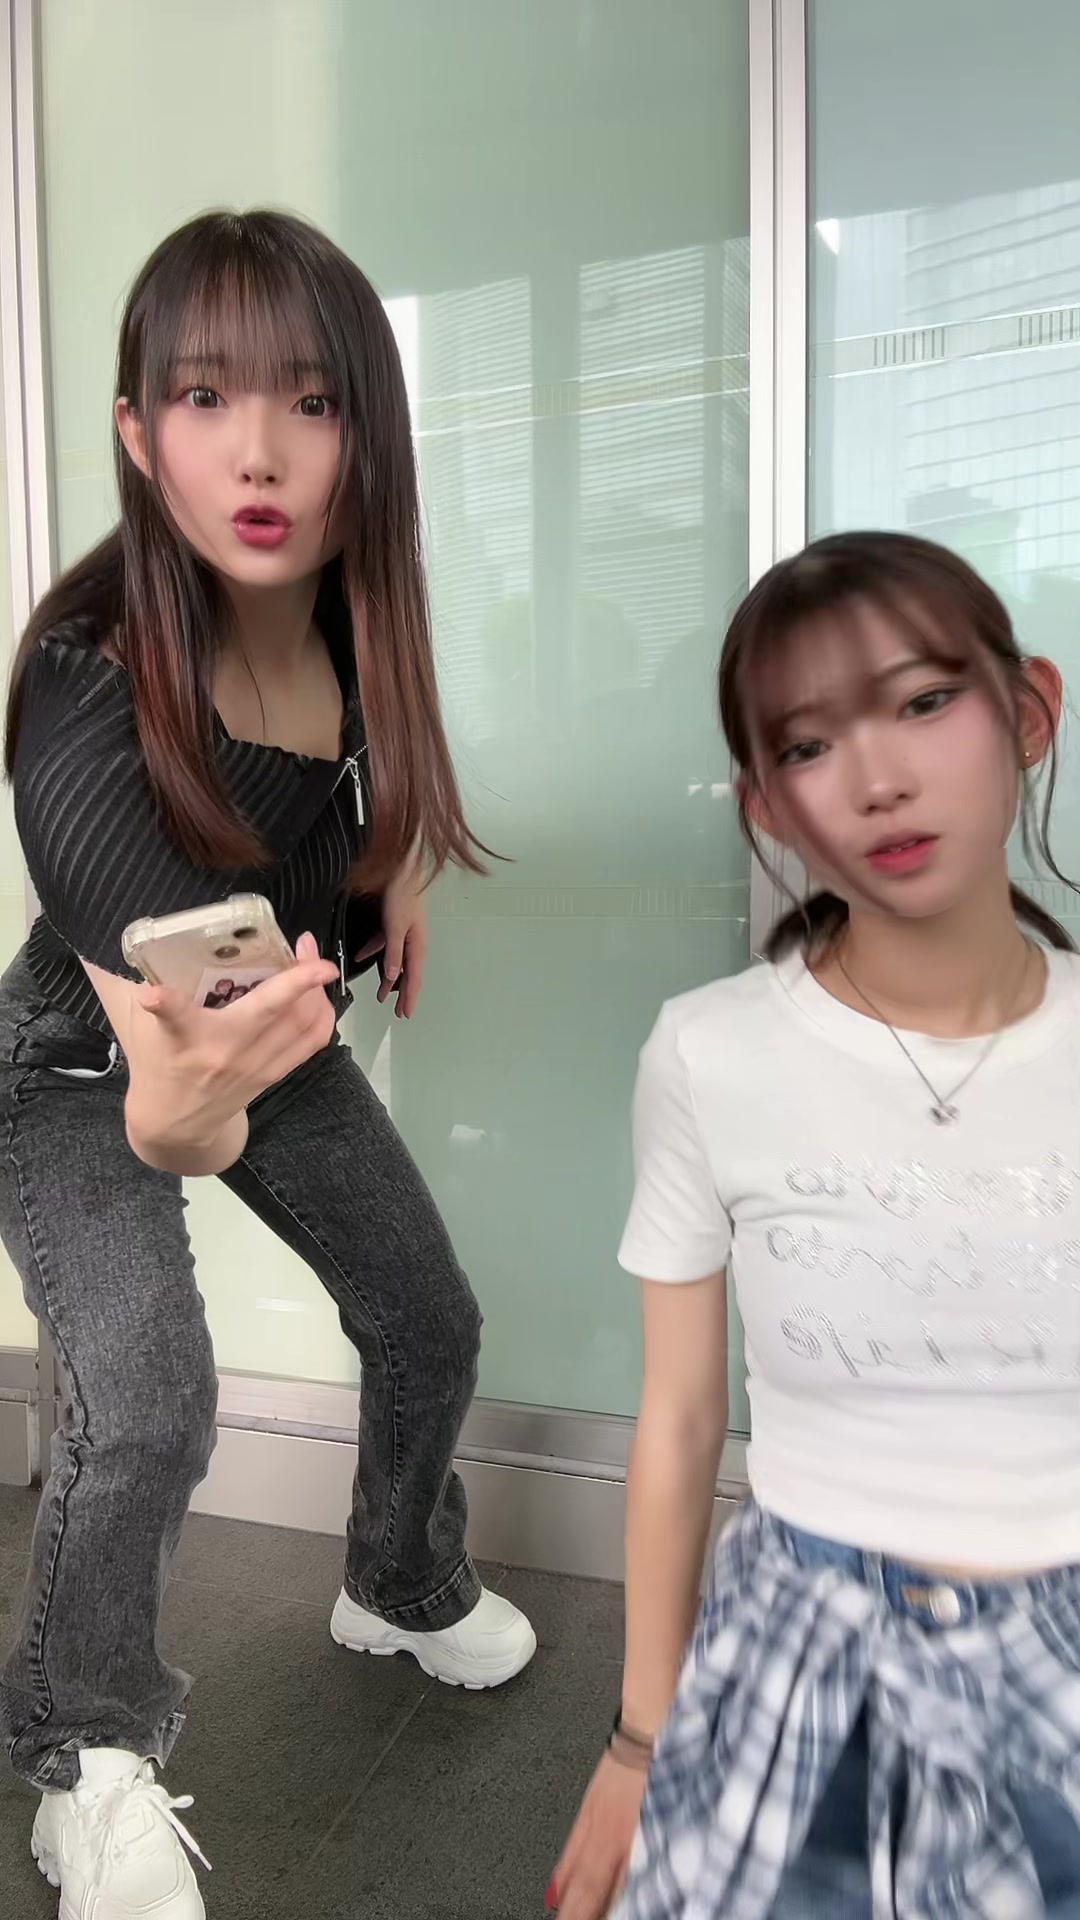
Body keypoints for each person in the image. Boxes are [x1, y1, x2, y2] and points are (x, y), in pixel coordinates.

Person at [0, 209, 535, 1920]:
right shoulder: (80, 692)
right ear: (135, 431)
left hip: (259, 1028)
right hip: (88, 1071)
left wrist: (395, 882)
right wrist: (193, 1108)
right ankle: (83, 1753)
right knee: (151, 1399)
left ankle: (396, 1578)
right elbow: (173, 1108)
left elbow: (371, 789)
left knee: (430, 1318)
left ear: (368, 432)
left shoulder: (354, 613)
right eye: (205, 397)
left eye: (311, 402)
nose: (258, 452)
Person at [550, 531, 1080, 1919]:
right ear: (768, 807)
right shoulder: (707, 1052)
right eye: (807, 746)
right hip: (798, 1649)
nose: (878, 779)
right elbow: (680, 1421)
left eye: (924, 702)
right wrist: (636, 1743)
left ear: (1029, 711)